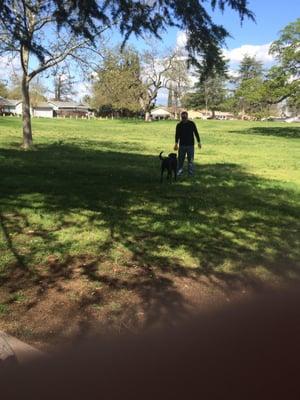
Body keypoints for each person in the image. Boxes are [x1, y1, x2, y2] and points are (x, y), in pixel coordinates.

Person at [174, 111, 201, 176]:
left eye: (185, 117)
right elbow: (177, 134)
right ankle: (179, 172)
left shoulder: (192, 124)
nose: (184, 119)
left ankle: (190, 173)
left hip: (190, 145)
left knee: (191, 160)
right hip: (182, 145)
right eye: (183, 117)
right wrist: (176, 143)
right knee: (180, 160)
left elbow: (196, 132)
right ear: (181, 117)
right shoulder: (179, 125)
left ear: (187, 117)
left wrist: (199, 142)